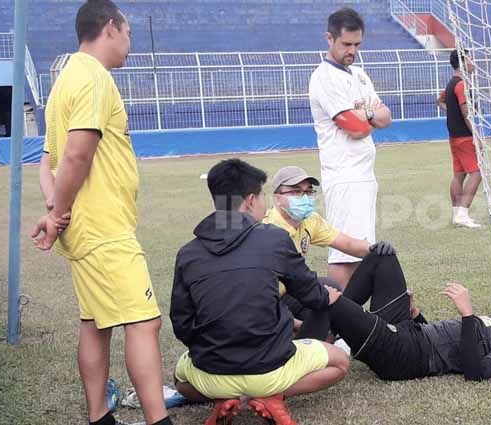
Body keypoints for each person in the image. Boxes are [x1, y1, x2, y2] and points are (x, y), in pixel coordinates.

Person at [31, 2, 172, 424]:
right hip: (104, 229)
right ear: (111, 28)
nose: (130, 45)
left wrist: (55, 210)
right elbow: (75, 156)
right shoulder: (93, 77)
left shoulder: (63, 80)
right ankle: (158, 419)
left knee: (95, 323)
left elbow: (46, 162)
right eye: (127, 34)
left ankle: (98, 416)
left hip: (87, 230)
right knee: (144, 323)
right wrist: (58, 215)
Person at [170, 159, 350, 425]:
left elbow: (181, 323)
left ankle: (229, 395)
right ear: (251, 200)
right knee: (340, 362)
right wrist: (326, 296)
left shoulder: (188, 253)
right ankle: (267, 395)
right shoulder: (274, 238)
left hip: (212, 370)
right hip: (270, 367)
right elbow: (311, 294)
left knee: (179, 380)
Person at [315, 252, 491, 381]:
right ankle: (334, 331)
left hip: (403, 355)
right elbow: (448, 347)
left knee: (329, 296)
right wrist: (418, 316)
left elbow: (477, 372)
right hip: (411, 332)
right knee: (383, 257)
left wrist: (467, 315)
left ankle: (291, 357)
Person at [309, 7, 392, 287]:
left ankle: (349, 323)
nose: (352, 50)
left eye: (357, 44)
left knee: (360, 255)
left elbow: (386, 117)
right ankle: (335, 325)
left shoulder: (359, 76)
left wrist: (365, 115)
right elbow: (355, 128)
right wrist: (369, 115)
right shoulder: (325, 77)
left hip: (363, 175)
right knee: (344, 257)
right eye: (346, 44)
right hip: (344, 177)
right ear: (329, 38)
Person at [261, 165, 396, 335]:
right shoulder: (268, 229)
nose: (304, 197)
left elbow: (347, 243)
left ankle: (326, 334)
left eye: (308, 192)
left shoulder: (310, 220)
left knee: (326, 288)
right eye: (295, 192)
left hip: (290, 294)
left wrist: (374, 249)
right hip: (267, 301)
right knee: (322, 293)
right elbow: (258, 293)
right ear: (277, 198)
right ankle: (306, 344)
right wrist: (295, 324)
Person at [437, 49, 482, 228]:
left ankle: (457, 214)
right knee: (477, 173)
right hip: (464, 136)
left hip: (454, 136)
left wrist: (452, 112)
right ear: (463, 61)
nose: (473, 62)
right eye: (470, 58)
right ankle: (463, 214)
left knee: (459, 175)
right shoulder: (461, 85)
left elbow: (440, 101)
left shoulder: (451, 84)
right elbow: (466, 112)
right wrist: (475, 135)